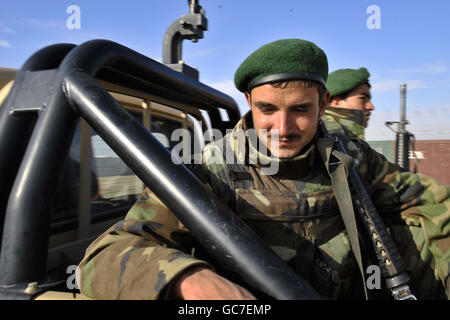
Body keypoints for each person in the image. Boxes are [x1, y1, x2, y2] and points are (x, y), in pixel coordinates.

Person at [78, 39, 449, 300]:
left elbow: (430, 203)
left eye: (300, 110)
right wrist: (188, 279)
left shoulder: (349, 156)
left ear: (322, 104)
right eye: (268, 110)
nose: (284, 129)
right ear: (249, 103)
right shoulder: (210, 168)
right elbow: (107, 255)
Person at [321, 68, 374, 140]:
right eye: (362, 98)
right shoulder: (328, 135)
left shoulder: (348, 137)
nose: (371, 107)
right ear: (336, 102)